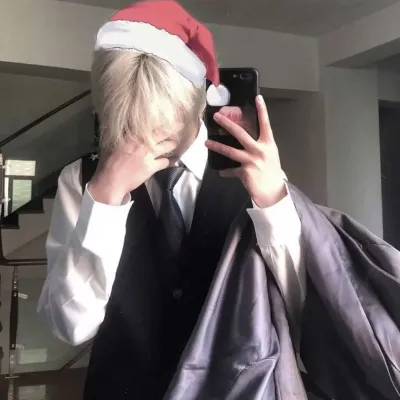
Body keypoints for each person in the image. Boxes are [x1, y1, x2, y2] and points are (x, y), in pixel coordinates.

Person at [37, 1, 305, 399]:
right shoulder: (80, 181)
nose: (146, 136)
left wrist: (274, 204)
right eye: (127, 121)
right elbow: (69, 326)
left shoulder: (256, 173)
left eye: (163, 121)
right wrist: (105, 201)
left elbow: (301, 305)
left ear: (200, 101)